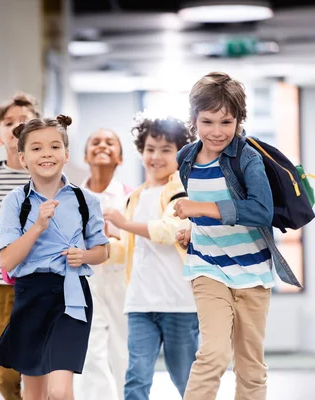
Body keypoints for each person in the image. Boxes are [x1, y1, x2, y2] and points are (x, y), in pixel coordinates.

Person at [175, 72, 298, 400]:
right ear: (194, 120)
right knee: (213, 354)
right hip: (207, 269)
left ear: (239, 121)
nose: (217, 132)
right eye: (207, 121)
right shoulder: (185, 159)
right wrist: (191, 225)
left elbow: (261, 212)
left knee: (251, 365)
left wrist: (202, 208)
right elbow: (194, 210)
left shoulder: (247, 157)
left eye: (226, 122)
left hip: (252, 273)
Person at [0, 115, 110, 400]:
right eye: (36, 148)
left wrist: (83, 255)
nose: (46, 153)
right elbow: (7, 261)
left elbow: (103, 250)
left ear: (66, 154)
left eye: (54, 147)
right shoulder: (14, 202)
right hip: (30, 296)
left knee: (59, 391)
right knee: (33, 395)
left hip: (72, 297)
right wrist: (37, 227)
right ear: (23, 158)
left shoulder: (86, 200)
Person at [104, 114, 198, 400]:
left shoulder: (183, 191)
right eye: (149, 149)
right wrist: (95, 248)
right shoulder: (134, 197)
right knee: (135, 379)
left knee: (186, 380)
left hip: (180, 303)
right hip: (140, 303)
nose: (155, 157)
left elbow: (168, 232)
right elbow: (126, 250)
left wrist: (123, 224)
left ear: (180, 153)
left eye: (165, 150)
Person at [0, 92, 41, 399]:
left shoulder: (46, 174)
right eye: (9, 122)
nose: (17, 126)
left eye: (25, 121)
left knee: (39, 367)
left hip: (43, 281)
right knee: (5, 375)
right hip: (1, 283)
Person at [74, 129, 131, 400]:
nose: (102, 146)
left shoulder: (129, 197)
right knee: (90, 353)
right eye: (95, 142)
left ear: (120, 157)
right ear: (85, 155)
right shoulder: (71, 197)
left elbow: (133, 240)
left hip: (121, 280)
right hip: (85, 280)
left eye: (110, 142)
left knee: (123, 352)